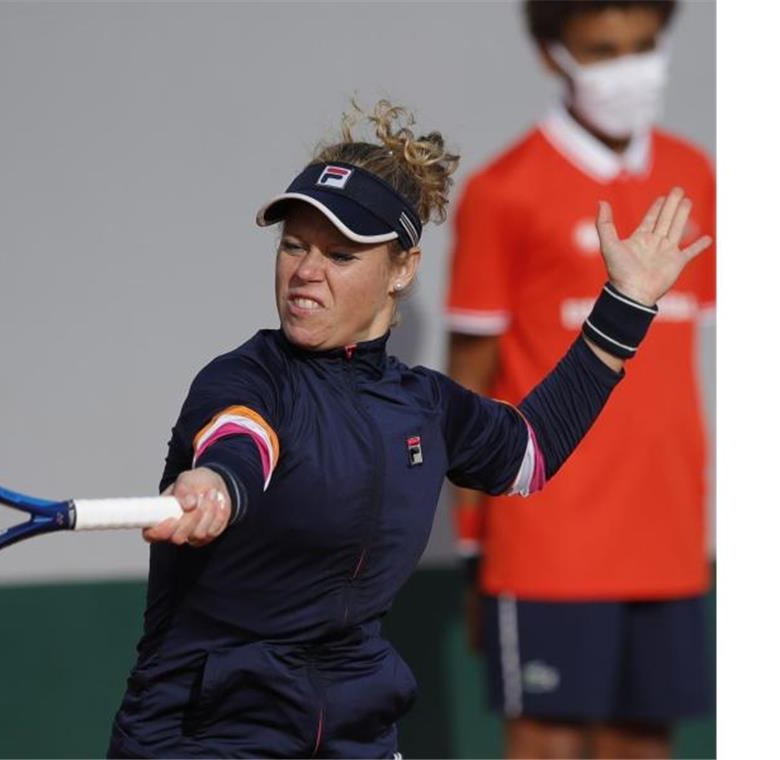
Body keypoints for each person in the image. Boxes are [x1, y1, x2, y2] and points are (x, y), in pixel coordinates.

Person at [105, 98, 710, 758]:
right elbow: (239, 440)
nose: (305, 271)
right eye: (293, 246)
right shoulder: (244, 381)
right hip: (206, 736)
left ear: (402, 269)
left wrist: (625, 308)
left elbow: (531, 452)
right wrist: (215, 484)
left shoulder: (424, 406)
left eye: (340, 254)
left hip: (354, 734)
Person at [445, 2, 715, 757]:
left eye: (642, 46)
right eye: (602, 50)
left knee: (644, 746)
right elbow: (469, 387)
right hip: (547, 540)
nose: (629, 68)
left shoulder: (694, 174)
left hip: (668, 538)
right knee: (546, 743)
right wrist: (473, 550)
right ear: (551, 54)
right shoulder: (505, 191)